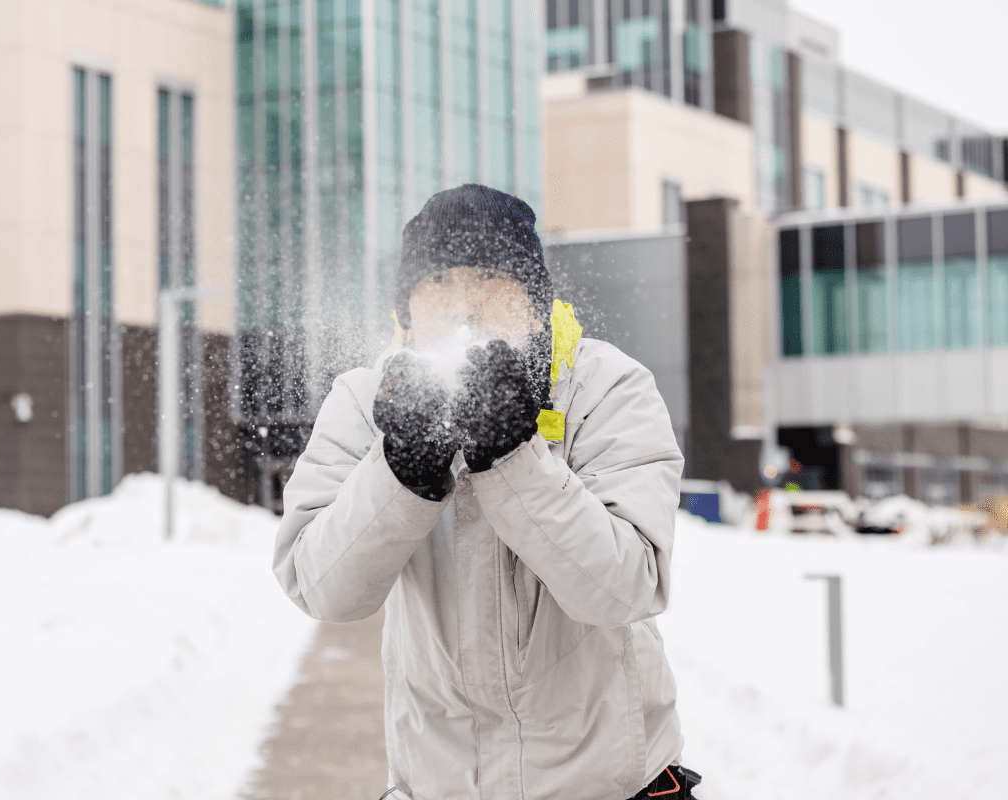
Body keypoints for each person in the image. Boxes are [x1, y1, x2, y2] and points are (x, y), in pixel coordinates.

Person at [273, 184, 700, 800]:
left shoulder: (607, 388)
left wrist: (512, 456)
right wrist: (401, 470)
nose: (464, 303)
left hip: (607, 787)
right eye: (439, 282)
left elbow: (626, 586)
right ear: (407, 308)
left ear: (533, 299)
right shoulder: (366, 401)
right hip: (439, 785)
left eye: (490, 278)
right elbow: (320, 587)